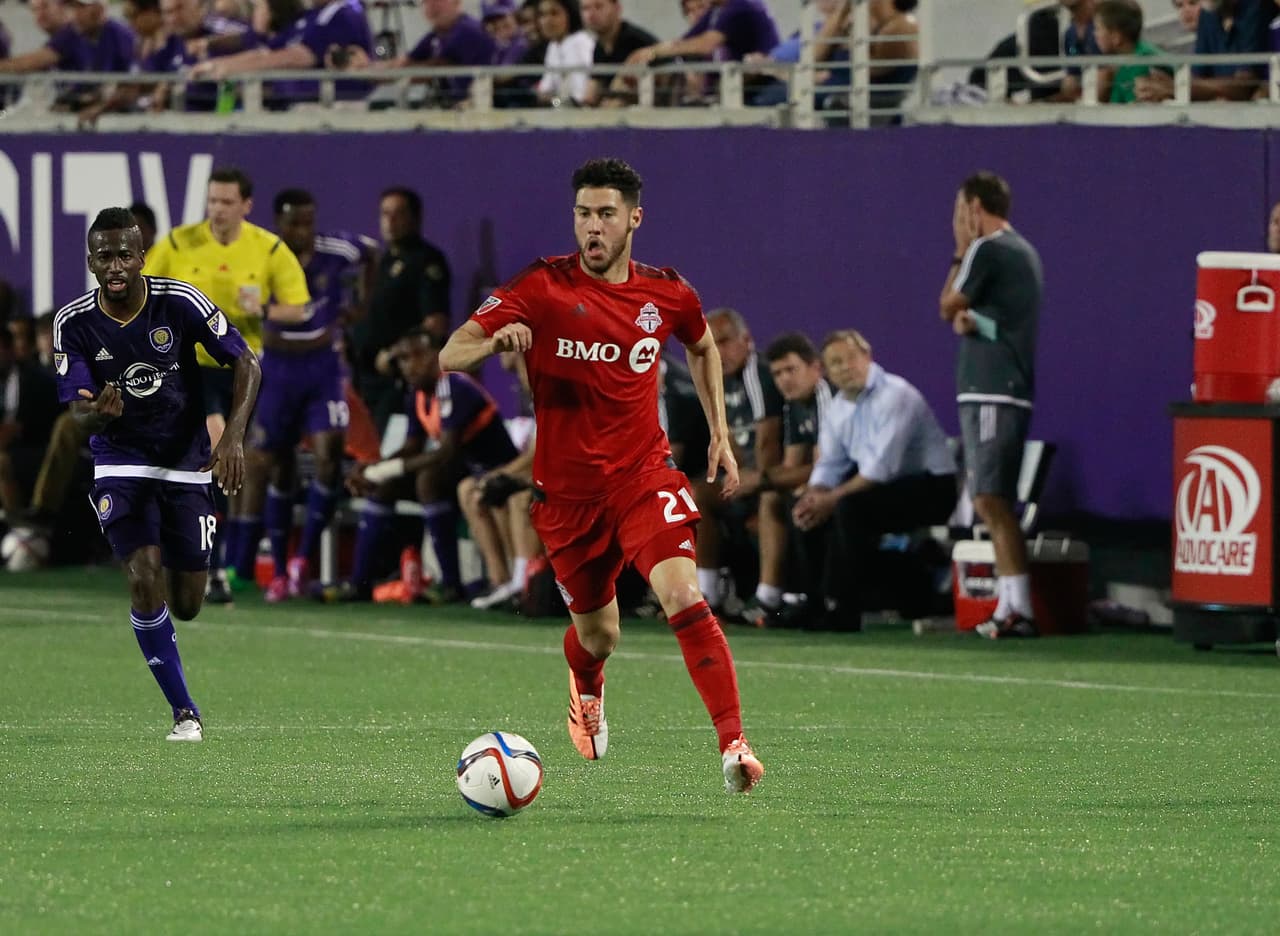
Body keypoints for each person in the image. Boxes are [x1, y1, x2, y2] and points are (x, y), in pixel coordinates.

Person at [438, 157, 764, 794]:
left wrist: (719, 431)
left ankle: (734, 745)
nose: (592, 227)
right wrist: (496, 342)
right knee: (600, 634)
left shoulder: (667, 293)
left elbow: (700, 345)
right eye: (583, 214)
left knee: (682, 594)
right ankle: (586, 687)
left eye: (606, 215)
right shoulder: (540, 286)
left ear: (634, 219)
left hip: (644, 475)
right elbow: (453, 350)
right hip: (567, 498)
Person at [51, 206, 262, 739]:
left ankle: (167, 586)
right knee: (143, 575)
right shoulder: (72, 323)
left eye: (125, 253)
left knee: (187, 603)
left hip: (186, 461)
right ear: (91, 262)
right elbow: (74, 408)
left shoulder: (180, 302)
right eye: (104, 256)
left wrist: (232, 436)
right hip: (120, 460)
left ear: (142, 256)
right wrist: (95, 408)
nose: (116, 265)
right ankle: (184, 712)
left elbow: (247, 361)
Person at [142, 166, 310, 603]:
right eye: (212, 201)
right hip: (188, 369)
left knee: (235, 467)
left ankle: (215, 564)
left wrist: (265, 307)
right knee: (218, 455)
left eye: (226, 202)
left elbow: (298, 308)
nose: (217, 209)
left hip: (240, 368)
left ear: (246, 205)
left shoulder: (267, 248)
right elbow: (144, 289)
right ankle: (206, 566)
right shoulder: (179, 243)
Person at [241, 188, 375, 601]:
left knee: (329, 456)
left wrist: (360, 302)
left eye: (309, 221)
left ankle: (302, 561)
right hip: (278, 368)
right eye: (295, 223)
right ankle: (280, 570)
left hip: (323, 368)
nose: (304, 230)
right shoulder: (258, 258)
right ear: (279, 223)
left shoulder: (336, 249)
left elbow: (372, 253)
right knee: (277, 467)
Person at [331, 327, 519, 602]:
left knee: (427, 480)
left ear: (434, 356)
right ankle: (361, 582)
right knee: (384, 487)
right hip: (463, 472)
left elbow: (446, 452)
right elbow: (412, 448)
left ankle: (452, 584)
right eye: (402, 361)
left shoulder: (455, 386)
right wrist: (374, 467)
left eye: (412, 357)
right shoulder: (418, 394)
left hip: (493, 469)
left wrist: (383, 470)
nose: (407, 367)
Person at [789, 330, 957, 631]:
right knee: (805, 510)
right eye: (835, 363)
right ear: (827, 371)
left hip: (932, 488)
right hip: (882, 489)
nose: (844, 367)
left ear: (867, 357)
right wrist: (814, 494)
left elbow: (881, 468)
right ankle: (816, 602)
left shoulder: (896, 395)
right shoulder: (838, 407)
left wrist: (831, 498)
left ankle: (845, 609)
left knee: (847, 509)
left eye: (851, 358)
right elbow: (830, 462)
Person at [939, 171, 1043, 639]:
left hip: (990, 389)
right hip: (1008, 385)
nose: (959, 219)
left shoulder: (987, 248)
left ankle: (1018, 608)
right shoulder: (1024, 251)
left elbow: (946, 304)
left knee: (990, 500)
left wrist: (961, 247)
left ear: (975, 208)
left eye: (962, 210)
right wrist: (974, 321)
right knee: (993, 499)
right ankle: (1011, 604)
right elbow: (992, 319)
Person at [692, 307, 784, 620]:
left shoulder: (757, 373)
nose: (720, 351)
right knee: (697, 495)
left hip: (775, 478)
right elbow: (727, 439)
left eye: (726, 341)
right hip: (746, 477)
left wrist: (756, 491)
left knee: (763, 503)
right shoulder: (718, 379)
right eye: (712, 344)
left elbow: (768, 441)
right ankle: (708, 594)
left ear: (747, 340)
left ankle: (768, 599)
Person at [738, 330, 830, 623]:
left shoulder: (825, 396)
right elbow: (791, 466)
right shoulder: (793, 406)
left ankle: (806, 597)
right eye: (777, 373)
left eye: (791, 369)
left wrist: (759, 478)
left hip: (860, 483)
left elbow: (824, 467)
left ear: (815, 367)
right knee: (775, 497)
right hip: (830, 481)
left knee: (801, 499)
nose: (784, 380)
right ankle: (770, 596)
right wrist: (763, 482)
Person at [348, 186, 451, 434]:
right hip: (364, 379)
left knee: (390, 450)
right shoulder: (381, 263)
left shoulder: (426, 261)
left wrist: (395, 356)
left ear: (415, 218)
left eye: (398, 214)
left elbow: (434, 325)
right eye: (385, 214)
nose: (390, 221)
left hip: (396, 383)